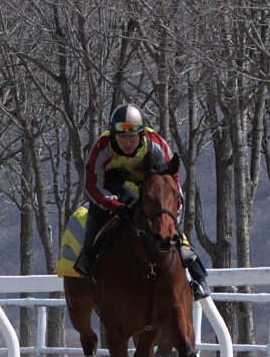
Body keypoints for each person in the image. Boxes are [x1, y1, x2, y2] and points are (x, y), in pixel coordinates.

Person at [72, 104, 210, 297]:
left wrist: (174, 210)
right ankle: (87, 254)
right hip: (114, 183)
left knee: (165, 217)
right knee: (97, 211)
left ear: (142, 135)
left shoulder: (156, 144)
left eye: (132, 137)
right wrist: (116, 206)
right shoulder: (101, 148)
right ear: (113, 135)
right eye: (122, 137)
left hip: (147, 181)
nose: (127, 143)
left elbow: (172, 182)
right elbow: (93, 186)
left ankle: (198, 275)